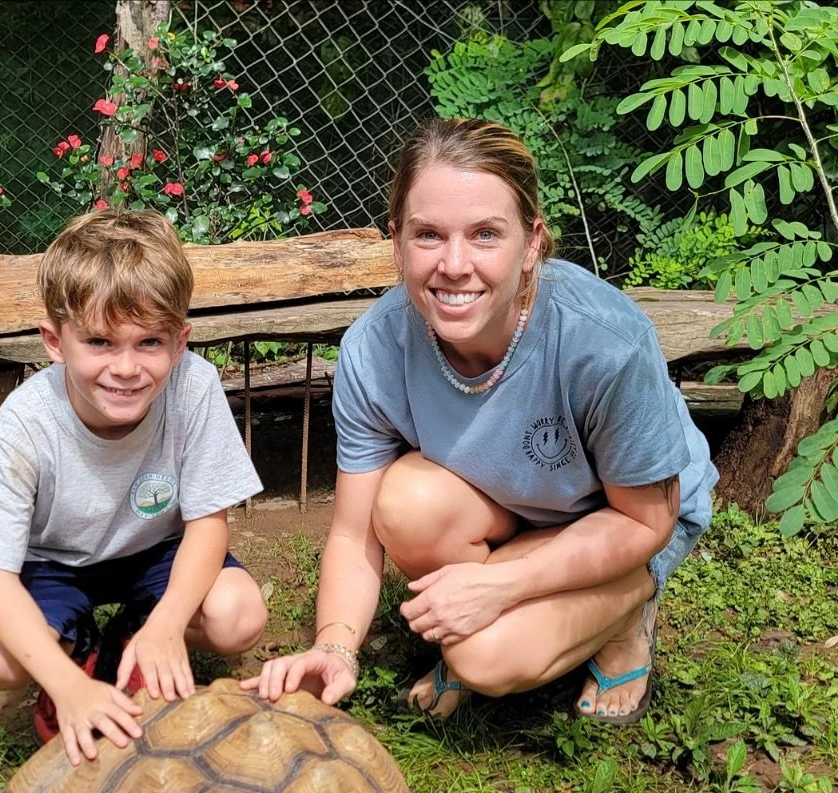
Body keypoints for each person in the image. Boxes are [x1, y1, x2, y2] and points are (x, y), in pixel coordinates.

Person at [246, 118, 717, 723]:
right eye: (428, 235)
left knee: (485, 657)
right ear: (396, 242)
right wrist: (334, 645)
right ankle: (504, 612)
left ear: (532, 244)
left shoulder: (604, 344)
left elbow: (645, 518)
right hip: (509, 504)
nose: (454, 264)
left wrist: (501, 587)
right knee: (404, 502)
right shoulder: (373, 347)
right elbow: (353, 532)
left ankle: (629, 607)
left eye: (486, 234)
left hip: (625, 517)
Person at [0, 209, 267, 765]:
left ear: (180, 343)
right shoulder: (26, 421)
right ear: (55, 342)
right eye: (100, 342)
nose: (126, 368)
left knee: (239, 614)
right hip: (54, 562)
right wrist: (67, 686)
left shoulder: (194, 388)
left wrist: (169, 622)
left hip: (156, 550)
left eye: (149, 342)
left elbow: (208, 524)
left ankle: (139, 635)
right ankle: (77, 657)